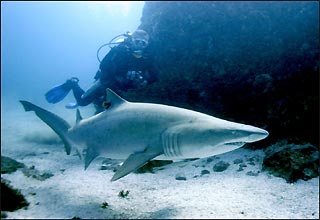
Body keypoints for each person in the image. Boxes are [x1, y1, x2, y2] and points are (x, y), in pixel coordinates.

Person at [45, 29, 158, 114]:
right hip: (105, 82)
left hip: (125, 88)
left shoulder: (146, 58)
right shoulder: (119, 51)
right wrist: (118, 77)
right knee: (83, 102)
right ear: (131, 40)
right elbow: (103, 67)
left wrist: (145, 80)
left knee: (110, 108)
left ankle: (101, 106)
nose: (140, 45)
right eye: (137, 41)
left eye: (143, 43)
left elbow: (154, 75)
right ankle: (72, 83)